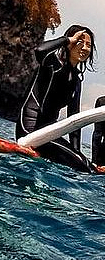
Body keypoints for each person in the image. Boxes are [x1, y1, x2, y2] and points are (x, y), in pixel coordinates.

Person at [16, 24, 96, 172]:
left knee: (83, 164)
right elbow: (39, 50)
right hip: (30, 129)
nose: (84, 48)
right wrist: (67, 39)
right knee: (83, 165)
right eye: (80, 42)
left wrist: (76, 151)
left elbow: (74, 119)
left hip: (48, 132)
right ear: (70, 43)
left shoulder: (76, 81)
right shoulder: (53, 63)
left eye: (88, 45)